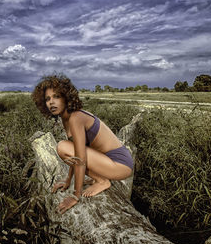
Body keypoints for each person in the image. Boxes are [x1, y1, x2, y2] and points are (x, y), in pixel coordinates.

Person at [31, 74, 134, 214]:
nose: (51, 102)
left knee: (62, 146)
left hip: (120, 164)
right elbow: (77, 154)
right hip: (108, 162)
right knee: (64, 148)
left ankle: (103, 181)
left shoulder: (76, 118)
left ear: (66, 97)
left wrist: (75, 195)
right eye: (47, 99)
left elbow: (80, 158)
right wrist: (68, 181)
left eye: (56, 97)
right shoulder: (66, 119)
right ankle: (100, 178)